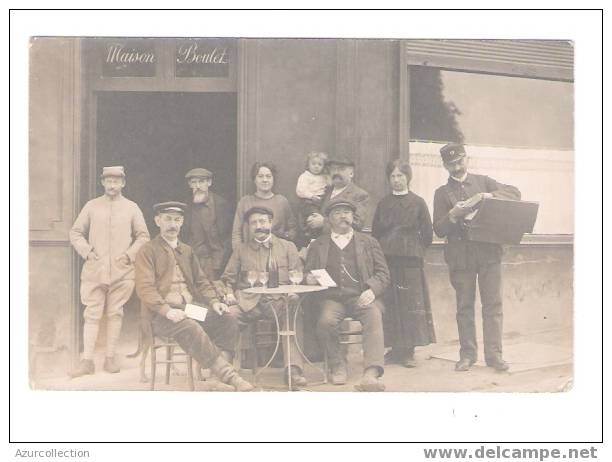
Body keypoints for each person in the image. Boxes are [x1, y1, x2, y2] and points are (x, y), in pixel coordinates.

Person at [135, 201, 253, 391]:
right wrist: (167, 311)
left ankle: (217, 378)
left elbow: (201, 281)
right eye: (168, 219)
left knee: (227, 319)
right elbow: (145, 289)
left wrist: (214, 302)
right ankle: (230, 377)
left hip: (189, 309)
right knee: (190, 326)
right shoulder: (147, 251)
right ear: (157, 221)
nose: (173, 225)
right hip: (160, 315)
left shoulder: (187, 250)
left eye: (177, 220)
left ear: (182, 223)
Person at [433, 143, 521, 372]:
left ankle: (494, 356)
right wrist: (452, 214)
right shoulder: (441, 194)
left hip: (488, 253)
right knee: (464, 307)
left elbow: (514, 193)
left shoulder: (484, 182)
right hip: (460, 257)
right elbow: (439, 229)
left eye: (459, 161)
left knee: (493, 305)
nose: (456, 167)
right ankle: (467, 355)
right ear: (445, 166)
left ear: (467, 160)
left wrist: (487, 195)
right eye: (451, 164)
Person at [69, 166, 150, 377]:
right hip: (95, 270)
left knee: (115, 313)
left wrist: (129, 255)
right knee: (92, 314)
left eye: (117, 181)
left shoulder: (132, 208)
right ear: (102, 182)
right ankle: (87, 360)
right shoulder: (91, 206)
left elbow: (143, 236)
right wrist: (87, 252)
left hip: (122, 271)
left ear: (123, 183)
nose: (112, 185)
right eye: (108, 181)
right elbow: (76, 232)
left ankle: (110, 357)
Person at [305, 198, 390, 391]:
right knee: (325, 321)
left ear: (353, 217)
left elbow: (383, 274)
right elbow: (306, 273)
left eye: (347, 212)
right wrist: (308, 278)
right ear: (328, 219)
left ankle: (371, 372)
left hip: (360, 296)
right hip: (332, 299)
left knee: (373, 315)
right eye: (337, 213)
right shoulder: (318, 244)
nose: (343, 216)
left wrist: (371, 290)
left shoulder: (368, 242)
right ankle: (337, 364)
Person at [220, 206, 308, 387]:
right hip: (247, 303)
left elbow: (298, 276)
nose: (258, 226)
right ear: (248, 227)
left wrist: (293, 292)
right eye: (253, 223)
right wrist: (228, 293)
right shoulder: (241, 250)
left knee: (294, 311)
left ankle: (293, 370)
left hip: (279, 302)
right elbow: (226, 279)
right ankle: (224, 370)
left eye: (262, 221)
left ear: (270, 223)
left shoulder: (287, 247)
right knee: (228, 315)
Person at [372, 159, 435, 368]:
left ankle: (408, 351)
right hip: (388, 260)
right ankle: (395, 349)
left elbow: (427, 234)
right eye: (393, 176)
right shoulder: (383, 203)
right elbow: (376, 233)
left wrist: (414, 249)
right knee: (391, 304)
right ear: (388, 179)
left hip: (410, 262)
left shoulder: (418, 202)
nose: (397, 180)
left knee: (409, 305)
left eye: (401, 176)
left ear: (408, 177)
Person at [232, 161, 297, 249]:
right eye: (260, 176)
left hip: (275, 254)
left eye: (268, 176)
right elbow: (236, 233)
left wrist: (284, 239)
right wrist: (240, 255)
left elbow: (292, 228)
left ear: (273, 179)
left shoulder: (281, 201)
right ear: (254, 179)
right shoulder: (245, 202)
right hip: (250, 254)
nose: (265, 180)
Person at [183, 168, 233, 280]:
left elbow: (228, 236)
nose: (198, 186)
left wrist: (221, 260)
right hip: (193, 259)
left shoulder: (221, 204)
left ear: (209, 183)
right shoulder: (186, 206)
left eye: (201, 181)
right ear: (190, 185)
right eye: (194, 182)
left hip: (216, 261)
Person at [304, 156, 370, 241]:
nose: (336, 173)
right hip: (320, 243)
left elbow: (356, 224)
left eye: (341, 169)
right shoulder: (325, 190)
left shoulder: (360, 195)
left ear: (351, 174)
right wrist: (312, 217)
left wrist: (324, 222)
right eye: (333, 169)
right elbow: (315, 208)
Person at [295, 151, 331, 244]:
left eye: (320, 164)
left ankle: (318, 236)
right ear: (308, 164)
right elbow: (300, 191)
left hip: (321, 201)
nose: (316, 166)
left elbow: (329, 186)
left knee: (323, 215)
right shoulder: (305, 176)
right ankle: (310, 234)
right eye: (313, 164)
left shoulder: (324, 177)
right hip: (308, 201)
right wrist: (311, 196)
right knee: (313, 216)